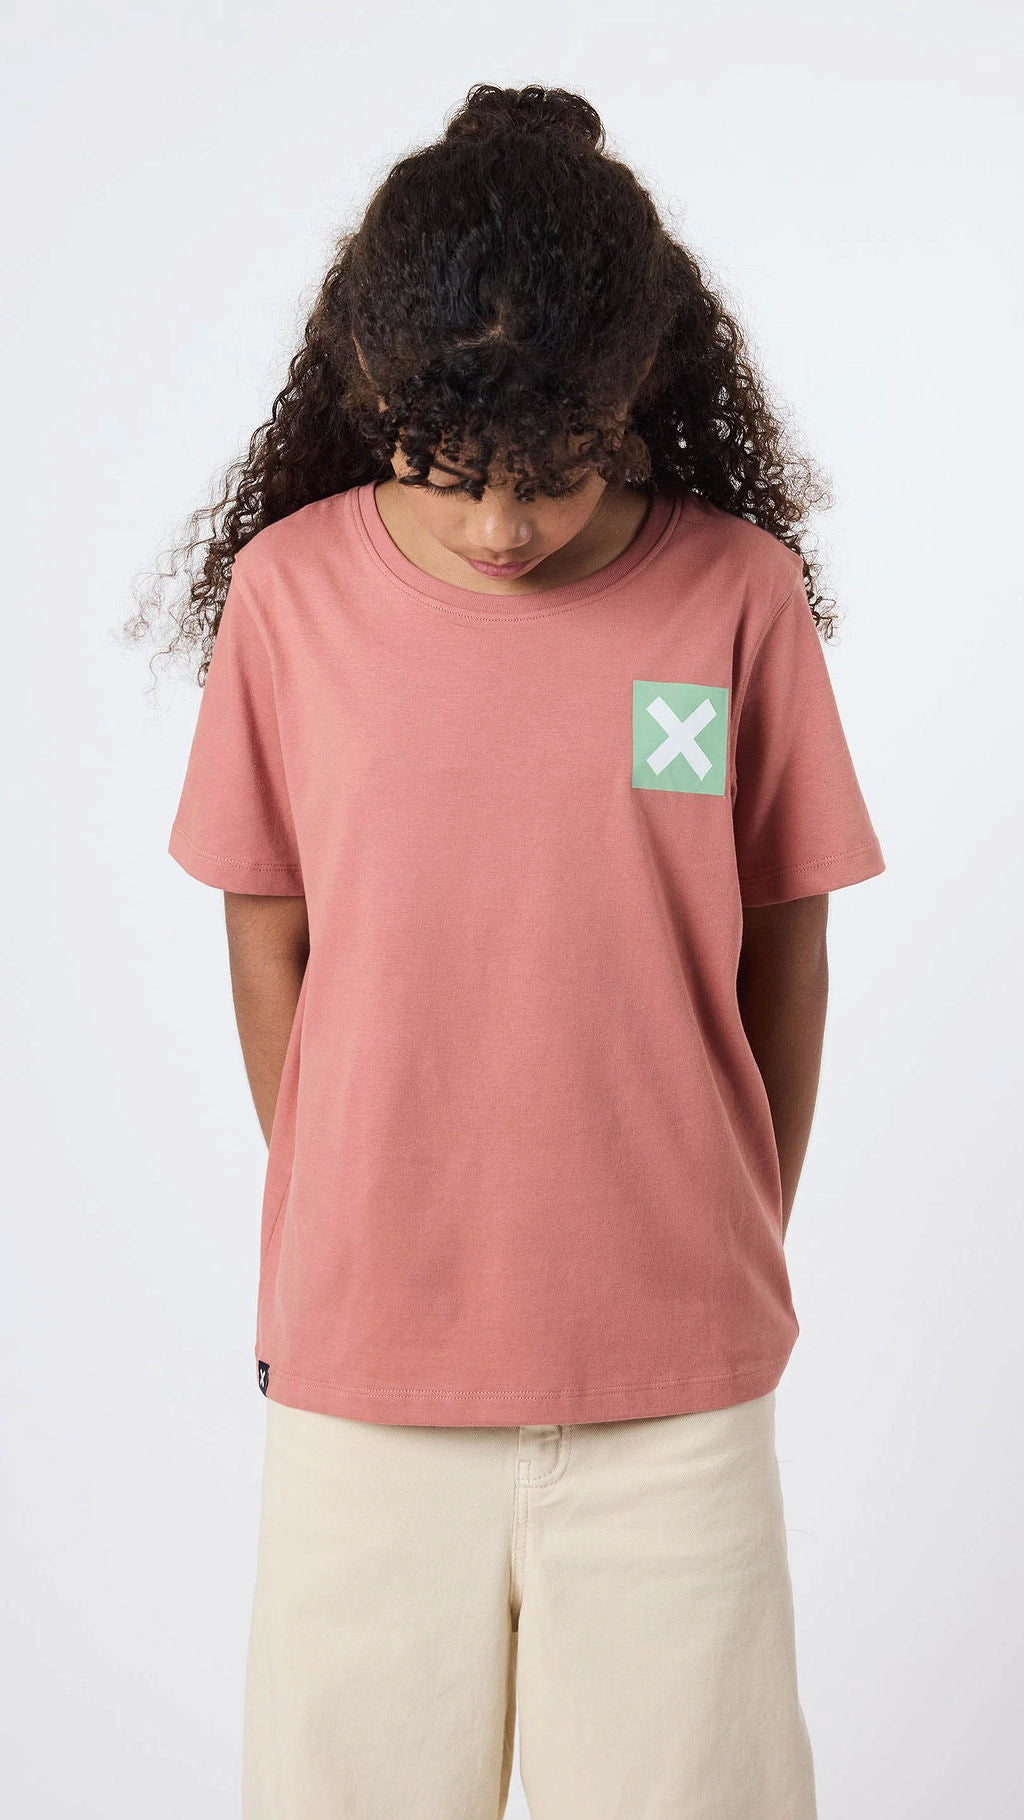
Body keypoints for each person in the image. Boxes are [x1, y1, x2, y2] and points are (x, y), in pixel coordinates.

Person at [148, 81, 885, 1820]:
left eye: (549, 472)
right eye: (448, 467)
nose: (500, 528)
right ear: (374, 396)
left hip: (674, 1391)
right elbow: (270, 934)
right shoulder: (291, 599)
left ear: (633, 391)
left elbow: (787, 948)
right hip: (367, 1384)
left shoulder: (735, 598)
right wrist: (354, 1194)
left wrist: (721, 1220)